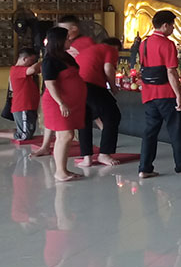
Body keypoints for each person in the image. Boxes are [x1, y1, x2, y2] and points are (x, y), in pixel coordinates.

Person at [139, 10, 181, 179]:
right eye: (172, 25)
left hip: (149, 94)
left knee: (150, 132)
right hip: (166, 93)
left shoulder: (144, 43)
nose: (172, 28)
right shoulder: (167, 44)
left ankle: (145, 168)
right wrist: (178, 94)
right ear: (165, 25)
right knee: (176, 130)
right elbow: (171, 72)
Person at [40, 27, 87, 182]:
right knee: (65, 135)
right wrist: (61, 102)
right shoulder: (49, 60)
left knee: (67, 135)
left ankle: (64, 169)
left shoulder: (65, 57)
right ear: (59, 41)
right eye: (67, 38)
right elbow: (50, 84)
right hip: (57, 102)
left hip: (71, 102)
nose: (70, 40)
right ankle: (59, 171)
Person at [75, 38, 122, 167]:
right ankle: (104, 154)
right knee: (112, 116)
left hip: (76, 85)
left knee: (85, 119)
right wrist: (113, 86)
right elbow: (108, 68)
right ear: (115, 47)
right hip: (91, 85)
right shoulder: (110, 49)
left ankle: (87, 158)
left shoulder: (90, 50)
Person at [9, 47, 41, 141]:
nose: (32, 63)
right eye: (31, 60)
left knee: (28, 130)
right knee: (24, 135)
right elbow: (32, 70)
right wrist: (43, 60)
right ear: (24, 59)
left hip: (29, 106)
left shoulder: (23, 71)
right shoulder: (16, 70)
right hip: (23, 106)